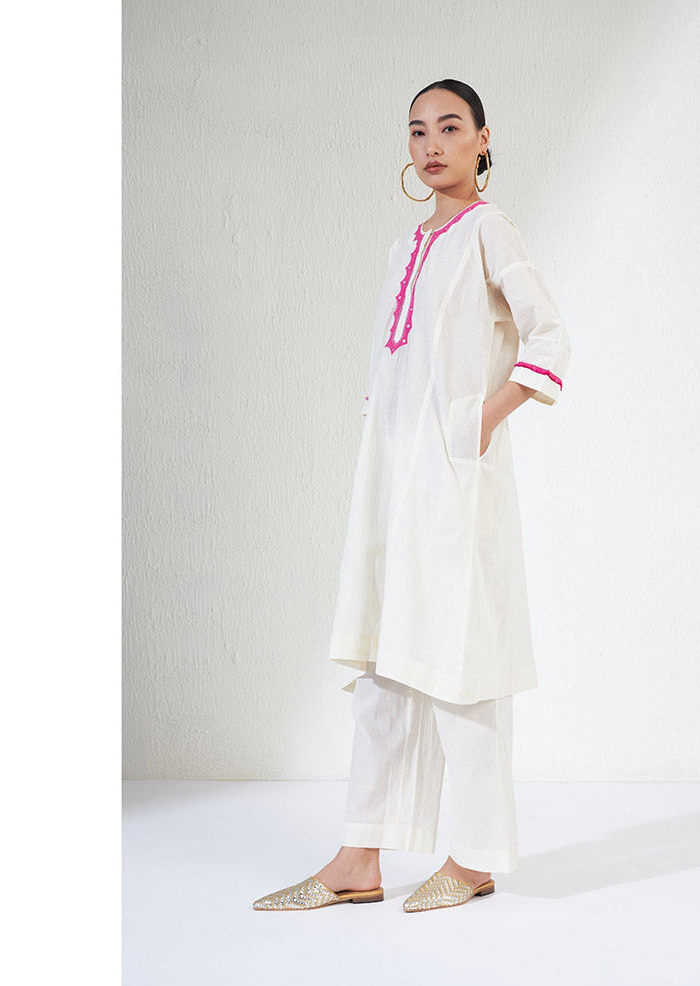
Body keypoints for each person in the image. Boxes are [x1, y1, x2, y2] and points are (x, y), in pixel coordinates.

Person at [253, 79, 571, 913]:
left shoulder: (489, 230)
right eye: (418, 130)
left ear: (482, 139)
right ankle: (360, 854)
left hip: (455, 484)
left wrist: (478, 423)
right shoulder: (405, 248)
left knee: (462, 662)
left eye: (450, 128)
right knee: (383, 666)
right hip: (392, 480)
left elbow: (549, 336)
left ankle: (474, 857)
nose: (432, 145)